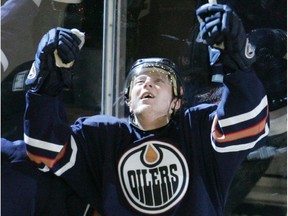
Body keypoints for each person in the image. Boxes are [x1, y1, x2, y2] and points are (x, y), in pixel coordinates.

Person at [23, 3, 269, 216]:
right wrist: (45, 83)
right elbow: (44, 147)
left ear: (177, 101)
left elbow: (250, 124)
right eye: (139, 81)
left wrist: (237, 65)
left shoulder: (196, 129)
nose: (148, 83)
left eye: (160, 80)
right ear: (128, 101)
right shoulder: (103, 136)